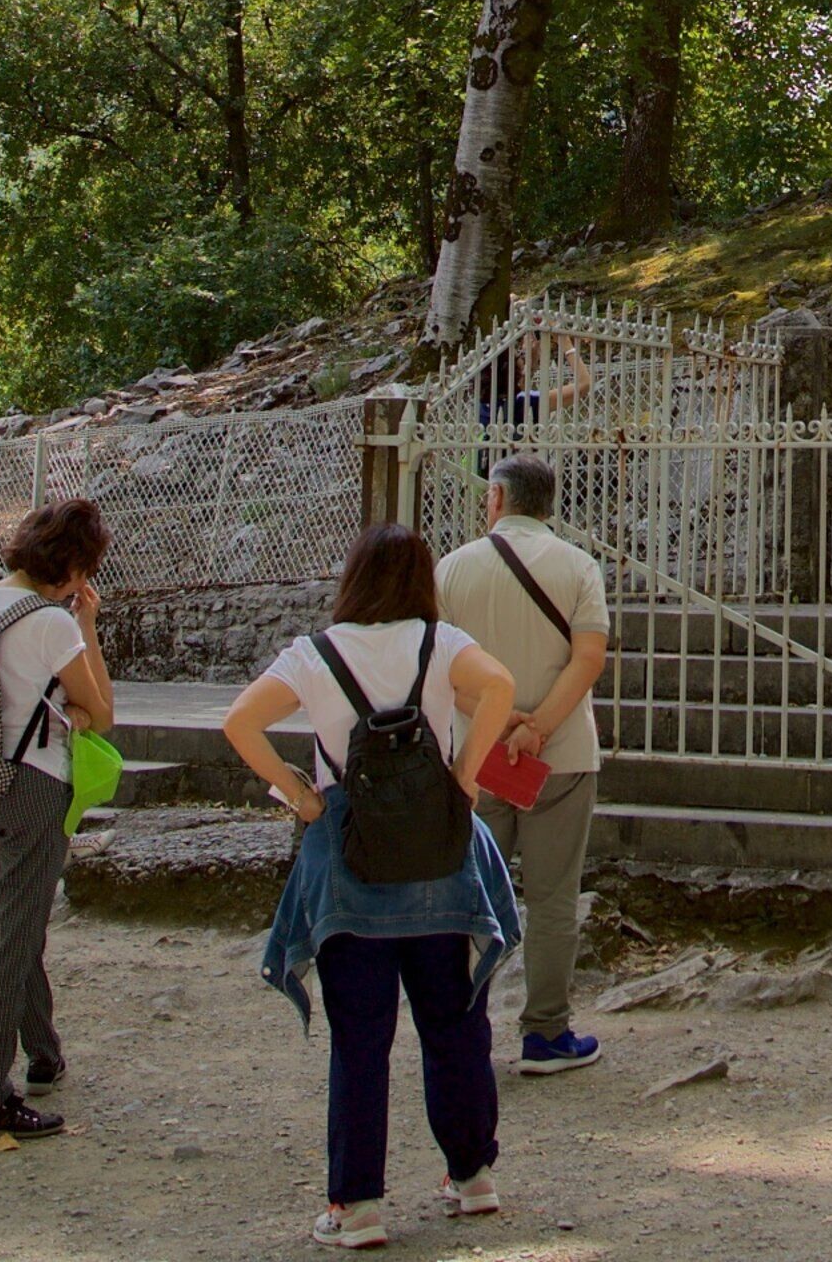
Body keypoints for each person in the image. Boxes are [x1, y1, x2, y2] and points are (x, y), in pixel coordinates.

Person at [231, 526, 522, 1249]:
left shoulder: (315, 654)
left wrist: (298, 793)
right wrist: (463, 777)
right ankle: (472, 1174)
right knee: (454, 1024)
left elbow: (240, 722)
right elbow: (500, 686)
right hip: (439, 859)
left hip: (351, 864)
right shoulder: (441, 642)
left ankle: (358, 1206)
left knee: (360, 1040)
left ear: (353, 578)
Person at [0, 498, 119, 1145]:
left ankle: (43, 1051)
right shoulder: (53, 623)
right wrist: (89, 627)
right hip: (33, 783)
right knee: (13, 942)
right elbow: (99, 712)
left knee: (9, 922)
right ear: (73, 566)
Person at [434, 455, 610, 1076]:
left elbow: (440, 671)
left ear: (497, 499)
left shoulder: (453, 569)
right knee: (555, 896)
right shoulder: (578, 566)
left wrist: (502, 721)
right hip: (559, 758)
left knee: (469, 894)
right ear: (549, 504)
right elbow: (588, 659)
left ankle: (459, 1028)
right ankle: (545, 1032)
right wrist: (537, 728)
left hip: (476, 756)